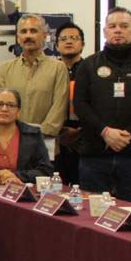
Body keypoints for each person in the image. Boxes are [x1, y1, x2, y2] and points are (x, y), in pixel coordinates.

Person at [73, 7, 131, 202]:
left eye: (124, 26)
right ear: (105, 31)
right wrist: (105, 132)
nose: (118, 30)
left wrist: (128, 133)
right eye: (112, 26)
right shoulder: (88, 65)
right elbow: (80, 104)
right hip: (95, 153)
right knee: (92, 213)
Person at [0, 15, 68, 159]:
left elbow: (59, 108)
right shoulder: (5, 69)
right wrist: (14, 134)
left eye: (33, 31)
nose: (28, 35)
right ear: (18, 37)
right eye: (23, 31)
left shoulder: (58, 68)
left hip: (45, 144)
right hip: (10, 143)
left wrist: (34, 135)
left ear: (44, 35)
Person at [0, 88, 54, 185]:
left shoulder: (33, 135)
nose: (4, 109)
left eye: (11, 105)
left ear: (18, 111)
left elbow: (46, 171)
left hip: (23, 189)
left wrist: (16, 176)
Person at [54, 22, 85, 185]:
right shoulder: (50, 70)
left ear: (83, 44)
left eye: (74, 38)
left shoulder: (91, 69)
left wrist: (81, 131)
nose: (69, 41)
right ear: (56, 45)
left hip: (84, 137)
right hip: (55, 135)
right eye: (64, 38)